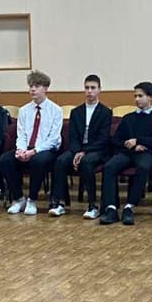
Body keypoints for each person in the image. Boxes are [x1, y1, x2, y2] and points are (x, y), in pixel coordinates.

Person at [99, 83, 152, 226]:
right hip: (127, 153)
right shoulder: (128, 118)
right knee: (109, 167)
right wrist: (131, 145)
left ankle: (129, 207)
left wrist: (138, 141)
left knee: (143, 167)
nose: (136, 99)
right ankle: (111, 208)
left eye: (140, 96)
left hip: (147, 153)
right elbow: (116, 140)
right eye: (135, 96)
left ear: (150, 97)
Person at [0, 70, 63, 215]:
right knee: (5, 160)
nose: (33, 89)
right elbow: (21, 134)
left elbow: (53, 139)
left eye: (37, 86)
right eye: (31, 86)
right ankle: (18, 198)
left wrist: (34, 151)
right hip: (27, 147)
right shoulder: (24, 110)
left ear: (45, 88)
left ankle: (32, 200)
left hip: (46, 150)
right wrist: (20, 150)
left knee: (38, 161)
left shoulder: (55, 110)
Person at [48, 74, 112, 218]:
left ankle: (92, 205)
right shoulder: (76, 112)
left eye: (93, 88)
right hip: (77, 149)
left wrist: (84, 152)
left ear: (99, 90)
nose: (89, 91)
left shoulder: (106, 112)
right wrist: (77, 151)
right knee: (60, 161)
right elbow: (73, 136)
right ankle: (60, 203)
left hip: (97, 150)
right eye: (87, 88)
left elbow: (103, 139)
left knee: (87, 162)